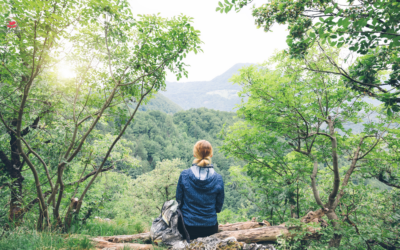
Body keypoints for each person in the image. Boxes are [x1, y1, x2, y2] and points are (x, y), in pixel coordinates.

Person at [176, 140, 225, 240]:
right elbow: (218, 207)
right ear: (211, 155)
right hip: (210, 227)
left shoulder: (185, 175)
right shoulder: (218, 179)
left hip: (187, 227)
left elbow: (179, 201)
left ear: (195, 154)